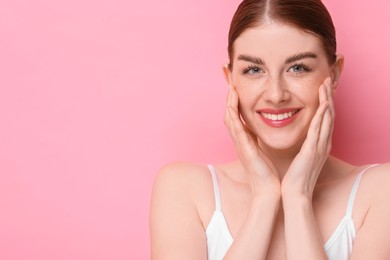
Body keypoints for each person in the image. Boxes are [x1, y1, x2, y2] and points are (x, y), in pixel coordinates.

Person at [150, 0, 390, 259]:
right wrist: (264, 198)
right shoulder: (184, 189)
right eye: (254, 70)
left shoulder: (380, 192)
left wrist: (298, 198)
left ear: (335, 74)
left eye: (298, 68)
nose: (276, 95)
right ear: (231, 79)